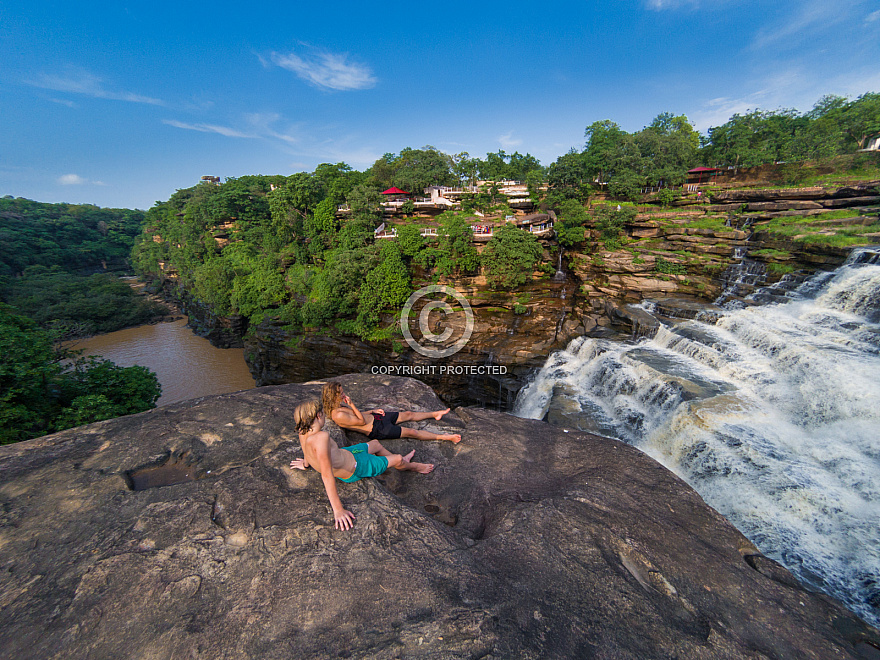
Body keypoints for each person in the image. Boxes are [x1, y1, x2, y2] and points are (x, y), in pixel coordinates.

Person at [289, 399, 435, 530]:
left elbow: (307, 450)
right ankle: (413, 466)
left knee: (376, 444)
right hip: (356, 467)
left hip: (347, 453)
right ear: (318, 416)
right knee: (397, 458)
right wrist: (338, 510)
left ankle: (398, 461)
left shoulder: (303, 431)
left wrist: (306, 463)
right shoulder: (321, 437)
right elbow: (327, 476)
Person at [321, 382, 462, 443]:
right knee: (413, 433)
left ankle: (435, 414)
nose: (343, 394)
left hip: (376, 417)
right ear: (332, 396)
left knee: (408, 414)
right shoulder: (337, 415)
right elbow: (361, 422)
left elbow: (360, 415)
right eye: (340, 393)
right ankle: (444, 437)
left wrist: (372, 411)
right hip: (377, 429)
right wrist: (352, 404)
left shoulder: (339, 406)